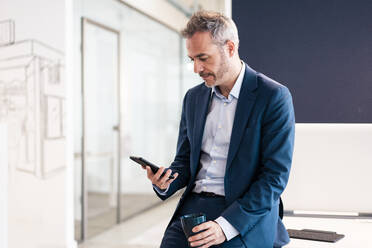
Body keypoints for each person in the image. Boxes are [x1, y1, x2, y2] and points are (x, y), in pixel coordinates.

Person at [142, 11, 295, 248]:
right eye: (192, 59)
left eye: (203, 57)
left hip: (242, 212)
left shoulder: (273, 96)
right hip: (194, 208)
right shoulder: (193, 98)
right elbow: (183, 162)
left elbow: (273, 178)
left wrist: (225, 227)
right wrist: (165, 181)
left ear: (230, 48)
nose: (196, 68)